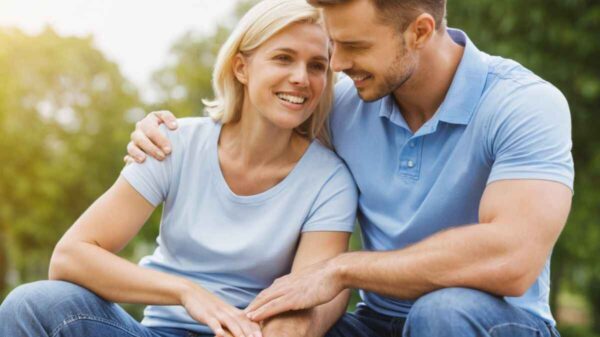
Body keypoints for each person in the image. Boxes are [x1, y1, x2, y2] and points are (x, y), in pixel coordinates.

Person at [128, 0, 574, 336]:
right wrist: (166, 132)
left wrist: (341, 270)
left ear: (419, 32)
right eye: (334, 44)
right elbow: (254, 130)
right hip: (374, 321)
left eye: (355, 46)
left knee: (441, 312)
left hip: (489, 322)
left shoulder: (523, 105)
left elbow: (512, 258)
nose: (338, 64)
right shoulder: (344, 102)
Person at [0, 1, 359, 337]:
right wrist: (188, 292)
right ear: (241, 67)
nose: (301, 77)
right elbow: (69, 258)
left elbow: (312, 293)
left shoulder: (329, 180)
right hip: (157, 330)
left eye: (317, 65)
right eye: (283, 58)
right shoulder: (174, 142)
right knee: (31, 304)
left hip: (249, 333)